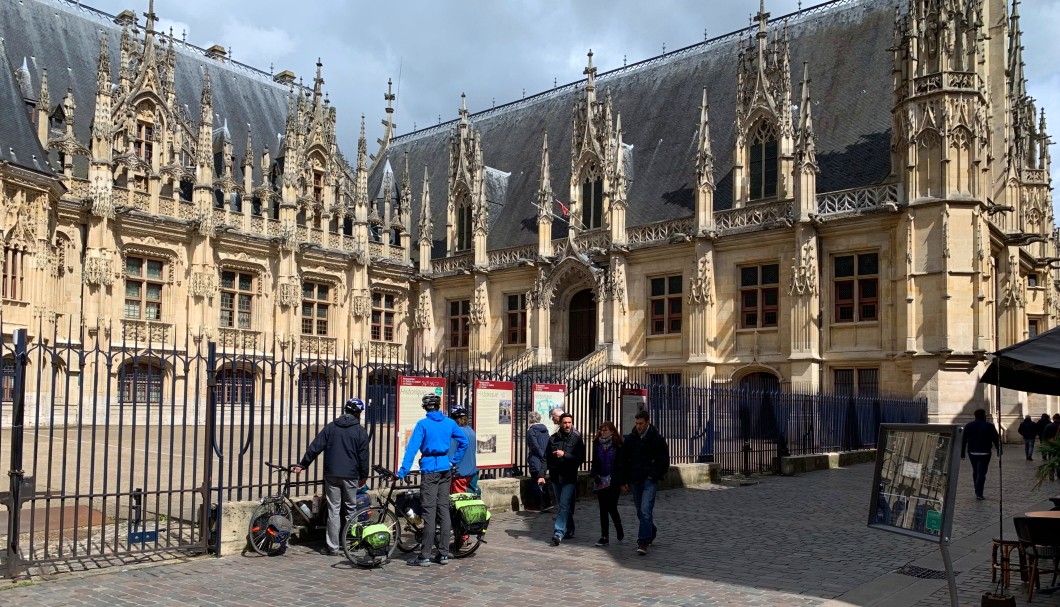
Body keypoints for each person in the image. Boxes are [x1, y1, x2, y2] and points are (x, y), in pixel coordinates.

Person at [292, 397, 370, 556]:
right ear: (357, 413)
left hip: (332, 474)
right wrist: (364, 475)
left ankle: (332, 547)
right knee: (350, 509)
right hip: (351, 475)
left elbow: (315, 447)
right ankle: (352, 543)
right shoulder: (360, 431)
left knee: (333, 510)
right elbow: (364, 457)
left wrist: (303, 464)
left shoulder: (331, 427)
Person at [397, 393, 469, 566]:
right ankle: (444, 553)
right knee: (443, 510)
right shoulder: (450, 422)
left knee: (429, 511)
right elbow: (464, 442)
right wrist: (454, 461)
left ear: (425, 407)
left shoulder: (423, 424)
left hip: (430, 469)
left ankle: (425, 555)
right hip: (445, 467)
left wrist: (403, 471)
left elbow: (412, 449)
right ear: (438, 406)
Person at [619, 409, 670, 556]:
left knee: (646, 510)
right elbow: (623, 460)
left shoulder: (657, 439)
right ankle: (651, 531)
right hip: (635, 480)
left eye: (641, 423)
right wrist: (623, 480)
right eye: (636, 423)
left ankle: (643, 541)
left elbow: (664, 461)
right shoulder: (630, 439)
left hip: (649, 481)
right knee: (640, 512)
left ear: (648, 422)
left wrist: (653, 475)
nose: (638, 426)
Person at [547, 412, 585, 546]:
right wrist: (541, 475)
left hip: (569, 478)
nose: (567, 425)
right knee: (564, 506)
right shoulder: (553, 439)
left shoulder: (577, 439)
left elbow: (581, 459)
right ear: (560, 423)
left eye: (569, 422)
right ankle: (570, 528)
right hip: (556, 477)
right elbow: (546, 458)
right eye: (565, 422)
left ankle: (558, 532)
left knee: (563, 504)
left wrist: (565, 455)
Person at [590, 420, 624, 546]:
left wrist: (620, 480)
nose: (602, 432)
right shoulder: (596, 444)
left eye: (605, 430)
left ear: (612, 431)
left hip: (614, 481)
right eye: (601, 430)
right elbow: (594, 463)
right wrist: (595, 475)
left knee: (612, 507)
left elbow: (621, 465)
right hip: (601, 481)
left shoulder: (618, 445)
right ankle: (604, 536)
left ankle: (619, 528)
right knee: (603, 509)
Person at [960, 408, 1000, 501]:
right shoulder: (989, 426)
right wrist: (999, 449)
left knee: (975, 471)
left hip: (972, 452)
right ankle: (979, 492)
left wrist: (962, 453)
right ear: (984, 416)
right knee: (981, 472)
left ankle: (977, 489)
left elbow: (964, 440)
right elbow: (996, 439)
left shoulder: (969, 426)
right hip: (985, 452)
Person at [449, 405, 478, 494]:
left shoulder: (456, 432)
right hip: (472, 472)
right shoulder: (471, 431)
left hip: (459, 473)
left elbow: (450, 453)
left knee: (458, 501)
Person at [525, 410, 551, 511]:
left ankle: (536, 505)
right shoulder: (545, 429)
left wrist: (541, 456)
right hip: (544, 459)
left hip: (536, 459)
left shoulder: (531, 430)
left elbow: (535, 446)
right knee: (542, 480)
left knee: (535, 482)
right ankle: (547, 502)